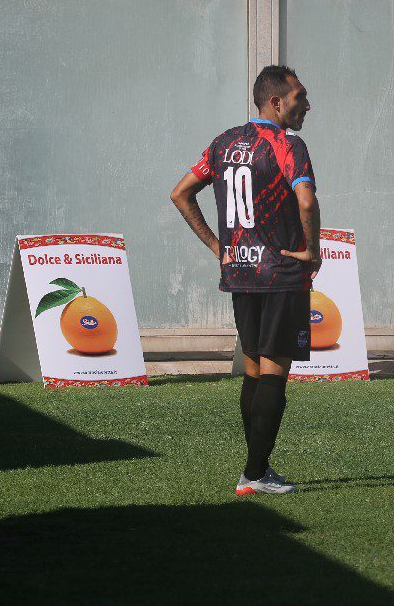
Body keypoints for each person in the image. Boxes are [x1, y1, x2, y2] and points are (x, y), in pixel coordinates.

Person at [170, 65, 321, 495]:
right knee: (273, 373)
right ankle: (255, 474)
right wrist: (311, 250)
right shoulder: (288, 143)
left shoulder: (223, 143)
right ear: (276, 102)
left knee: (254, 370)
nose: (306, 105)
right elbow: (306, 202)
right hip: (279, 273)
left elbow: (180, 192)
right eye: (300, 97)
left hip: (239, 272)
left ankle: (257, 469)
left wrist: (219, 247)